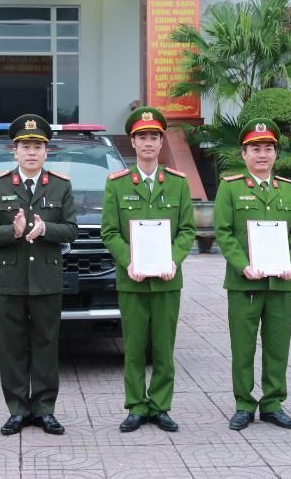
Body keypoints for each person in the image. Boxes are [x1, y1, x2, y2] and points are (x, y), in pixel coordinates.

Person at [0, 114, 78, 436]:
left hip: (47, 280)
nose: (31, 152)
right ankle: (18, 410)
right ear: (15, 151)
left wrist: (46, 228)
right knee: (12, 346)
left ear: (47, 151)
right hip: (11, 280)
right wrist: (13, 230)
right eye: (25, 146)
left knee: (47, 345)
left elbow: (72, 230)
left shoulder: (61, 185)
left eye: (37, 146)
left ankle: (45, 409)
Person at [100, 106, 196, 433]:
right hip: (133, 281)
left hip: (168, 280)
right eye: (142, 137)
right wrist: (130, 261)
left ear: (161, 141)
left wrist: (174, 259)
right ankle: (136, 406)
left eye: (154, 136)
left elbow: (186, 231)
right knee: (134, 348)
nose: (148, 142)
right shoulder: (117, 184)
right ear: (132, 142)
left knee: (164, 350)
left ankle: (160, 406)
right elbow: (110, 232)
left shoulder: (178, 184)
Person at [213, 118, 291, 431]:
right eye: (255, 148)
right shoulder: (231, 187)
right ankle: (243, 404)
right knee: (243, 346)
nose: (262, 154)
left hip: (280, 281)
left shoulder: (289, 190)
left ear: (276, 154)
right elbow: (224, 233)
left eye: (268, 148)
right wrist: (243, 265)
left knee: (278, 345)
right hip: (244, 283)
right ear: (244, 154)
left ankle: (273, 403)